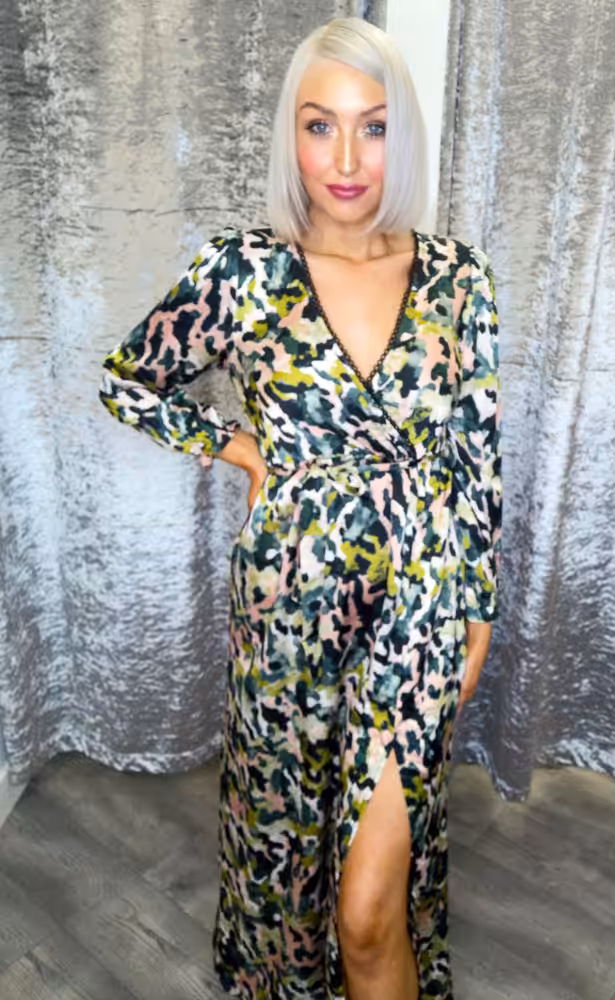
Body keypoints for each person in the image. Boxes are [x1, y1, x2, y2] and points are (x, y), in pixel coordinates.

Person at [99, 15, 502, 1000]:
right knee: (287, 860)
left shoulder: (460, 278)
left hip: (420, 608)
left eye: (374, 127)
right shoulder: (242, 270)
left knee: (368, 909)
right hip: (286, 610)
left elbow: (476, 456)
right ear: (291, 135)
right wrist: (238, 447)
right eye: (321, 126)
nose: (347, 158)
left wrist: (479, 608)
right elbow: (127, 380)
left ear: (402, 136)